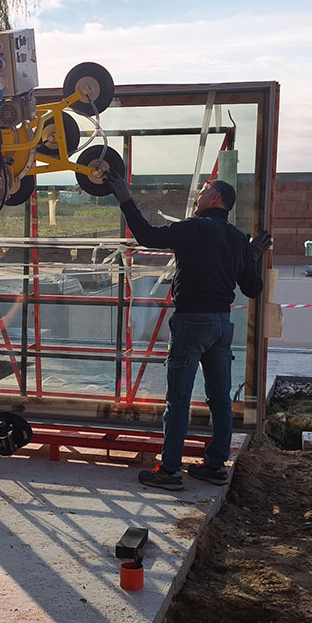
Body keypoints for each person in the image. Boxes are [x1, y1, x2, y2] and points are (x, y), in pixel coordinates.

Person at [108, 171, 272, 491]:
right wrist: (251, 254)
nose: (197, 195)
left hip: (191, 323)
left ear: (215, 198)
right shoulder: (238, 239)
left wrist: (124, 198)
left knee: (179, 400)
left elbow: (147, 235)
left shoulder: (195, 228)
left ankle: (169, 470)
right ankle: (214, 466)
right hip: (221, 326)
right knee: (219, 399)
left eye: (203, 190)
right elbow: (253, 288)